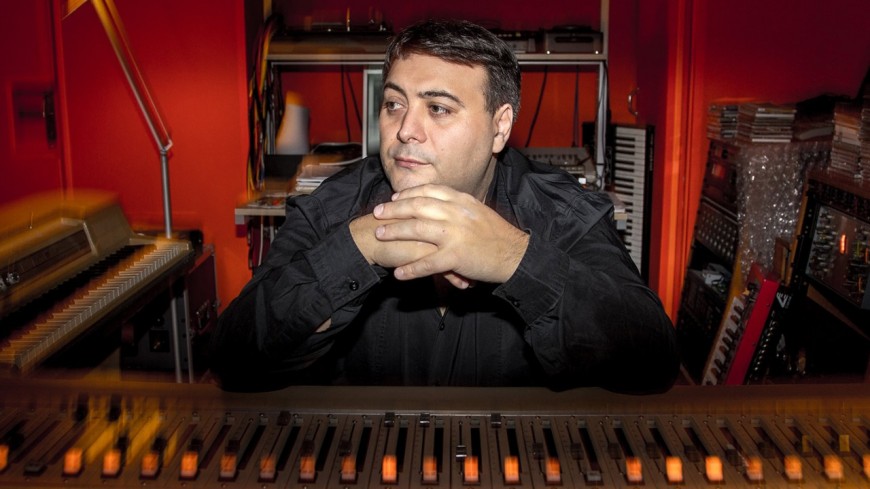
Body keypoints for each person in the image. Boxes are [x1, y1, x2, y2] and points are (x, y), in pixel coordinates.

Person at [211, 19, 679, 393]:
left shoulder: (562, 213)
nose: (404, 130)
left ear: (500, 127)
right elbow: (231, 358)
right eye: (394, 104)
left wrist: (515, 259)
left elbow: (654, 361)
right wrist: (359, 248)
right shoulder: (333, 208)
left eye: (438, 108)